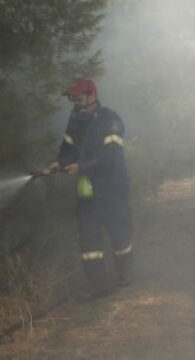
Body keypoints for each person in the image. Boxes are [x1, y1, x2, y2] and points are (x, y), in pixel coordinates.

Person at [48, 76, 133, 297]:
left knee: (119, 236)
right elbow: (67, 149)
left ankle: (126, 275)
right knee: (89, 243)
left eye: (78, 98)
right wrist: (60, 162)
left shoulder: (110, 121)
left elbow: (111, 157)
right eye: (73, 99)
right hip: (88, 193)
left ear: (92, 96)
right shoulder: (75, 122)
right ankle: (98, 286)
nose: (75, 103)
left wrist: (82, 167)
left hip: (112, 190)